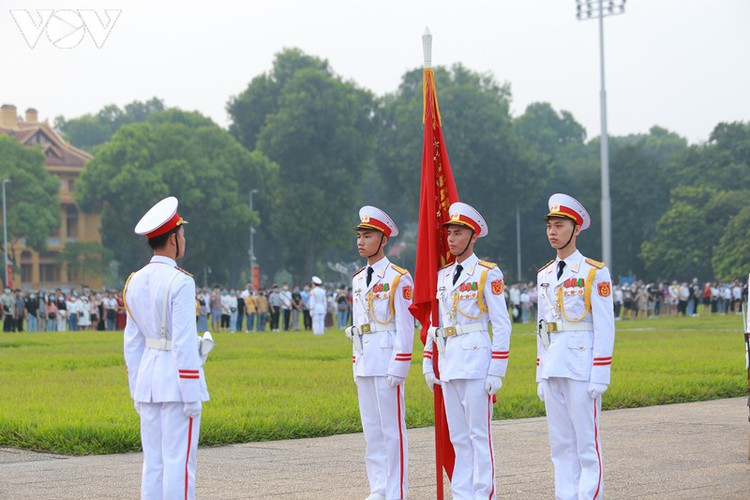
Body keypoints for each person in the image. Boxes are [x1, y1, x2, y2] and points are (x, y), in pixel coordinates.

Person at [422, 202, 512, 499]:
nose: (451, 239)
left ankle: (484, 493)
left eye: (458, 233)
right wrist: (427, 360)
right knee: (459, 437)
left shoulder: (487, 273)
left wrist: (497, 369)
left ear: (473, 236)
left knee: (478, 435)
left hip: (475, 360)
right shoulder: (443, 276)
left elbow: (501, 324)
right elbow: (437, 321)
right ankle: (462, 493)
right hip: (449, 362)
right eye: (449, 233)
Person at [123, 196, 210, 500]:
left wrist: (136, 388)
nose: (183, 240)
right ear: (173, 239)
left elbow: (131, 344)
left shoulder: (133, 282)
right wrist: (191, 393)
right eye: (182, 234)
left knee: (154, 463)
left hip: (148, 381)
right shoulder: (180, 282)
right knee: (180, 464)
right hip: (176, 381)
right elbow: (184, 342)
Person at [535, 193, 615, 500]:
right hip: (554, 363)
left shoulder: (593, 272)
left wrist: (600, 373)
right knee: (560, 446)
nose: (553, 232)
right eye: (550, 226)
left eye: (560, 225)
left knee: (586, 445)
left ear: (576, 229)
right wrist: (540, 371)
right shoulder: (544, 274)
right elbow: (542, 326)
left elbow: (605, 326)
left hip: (582, 366)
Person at [345, 206, 414, 500]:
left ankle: (396, 490)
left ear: (383, 240)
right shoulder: (359, 278)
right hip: (364, 359)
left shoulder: (399, 278)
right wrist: (354, 359)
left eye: (368, 235)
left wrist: (400, 363)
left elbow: (405, 325)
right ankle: (378, 488)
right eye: (359, 235)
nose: (361, 241)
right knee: (372, 430)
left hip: (387, 359)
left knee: (391, 431)